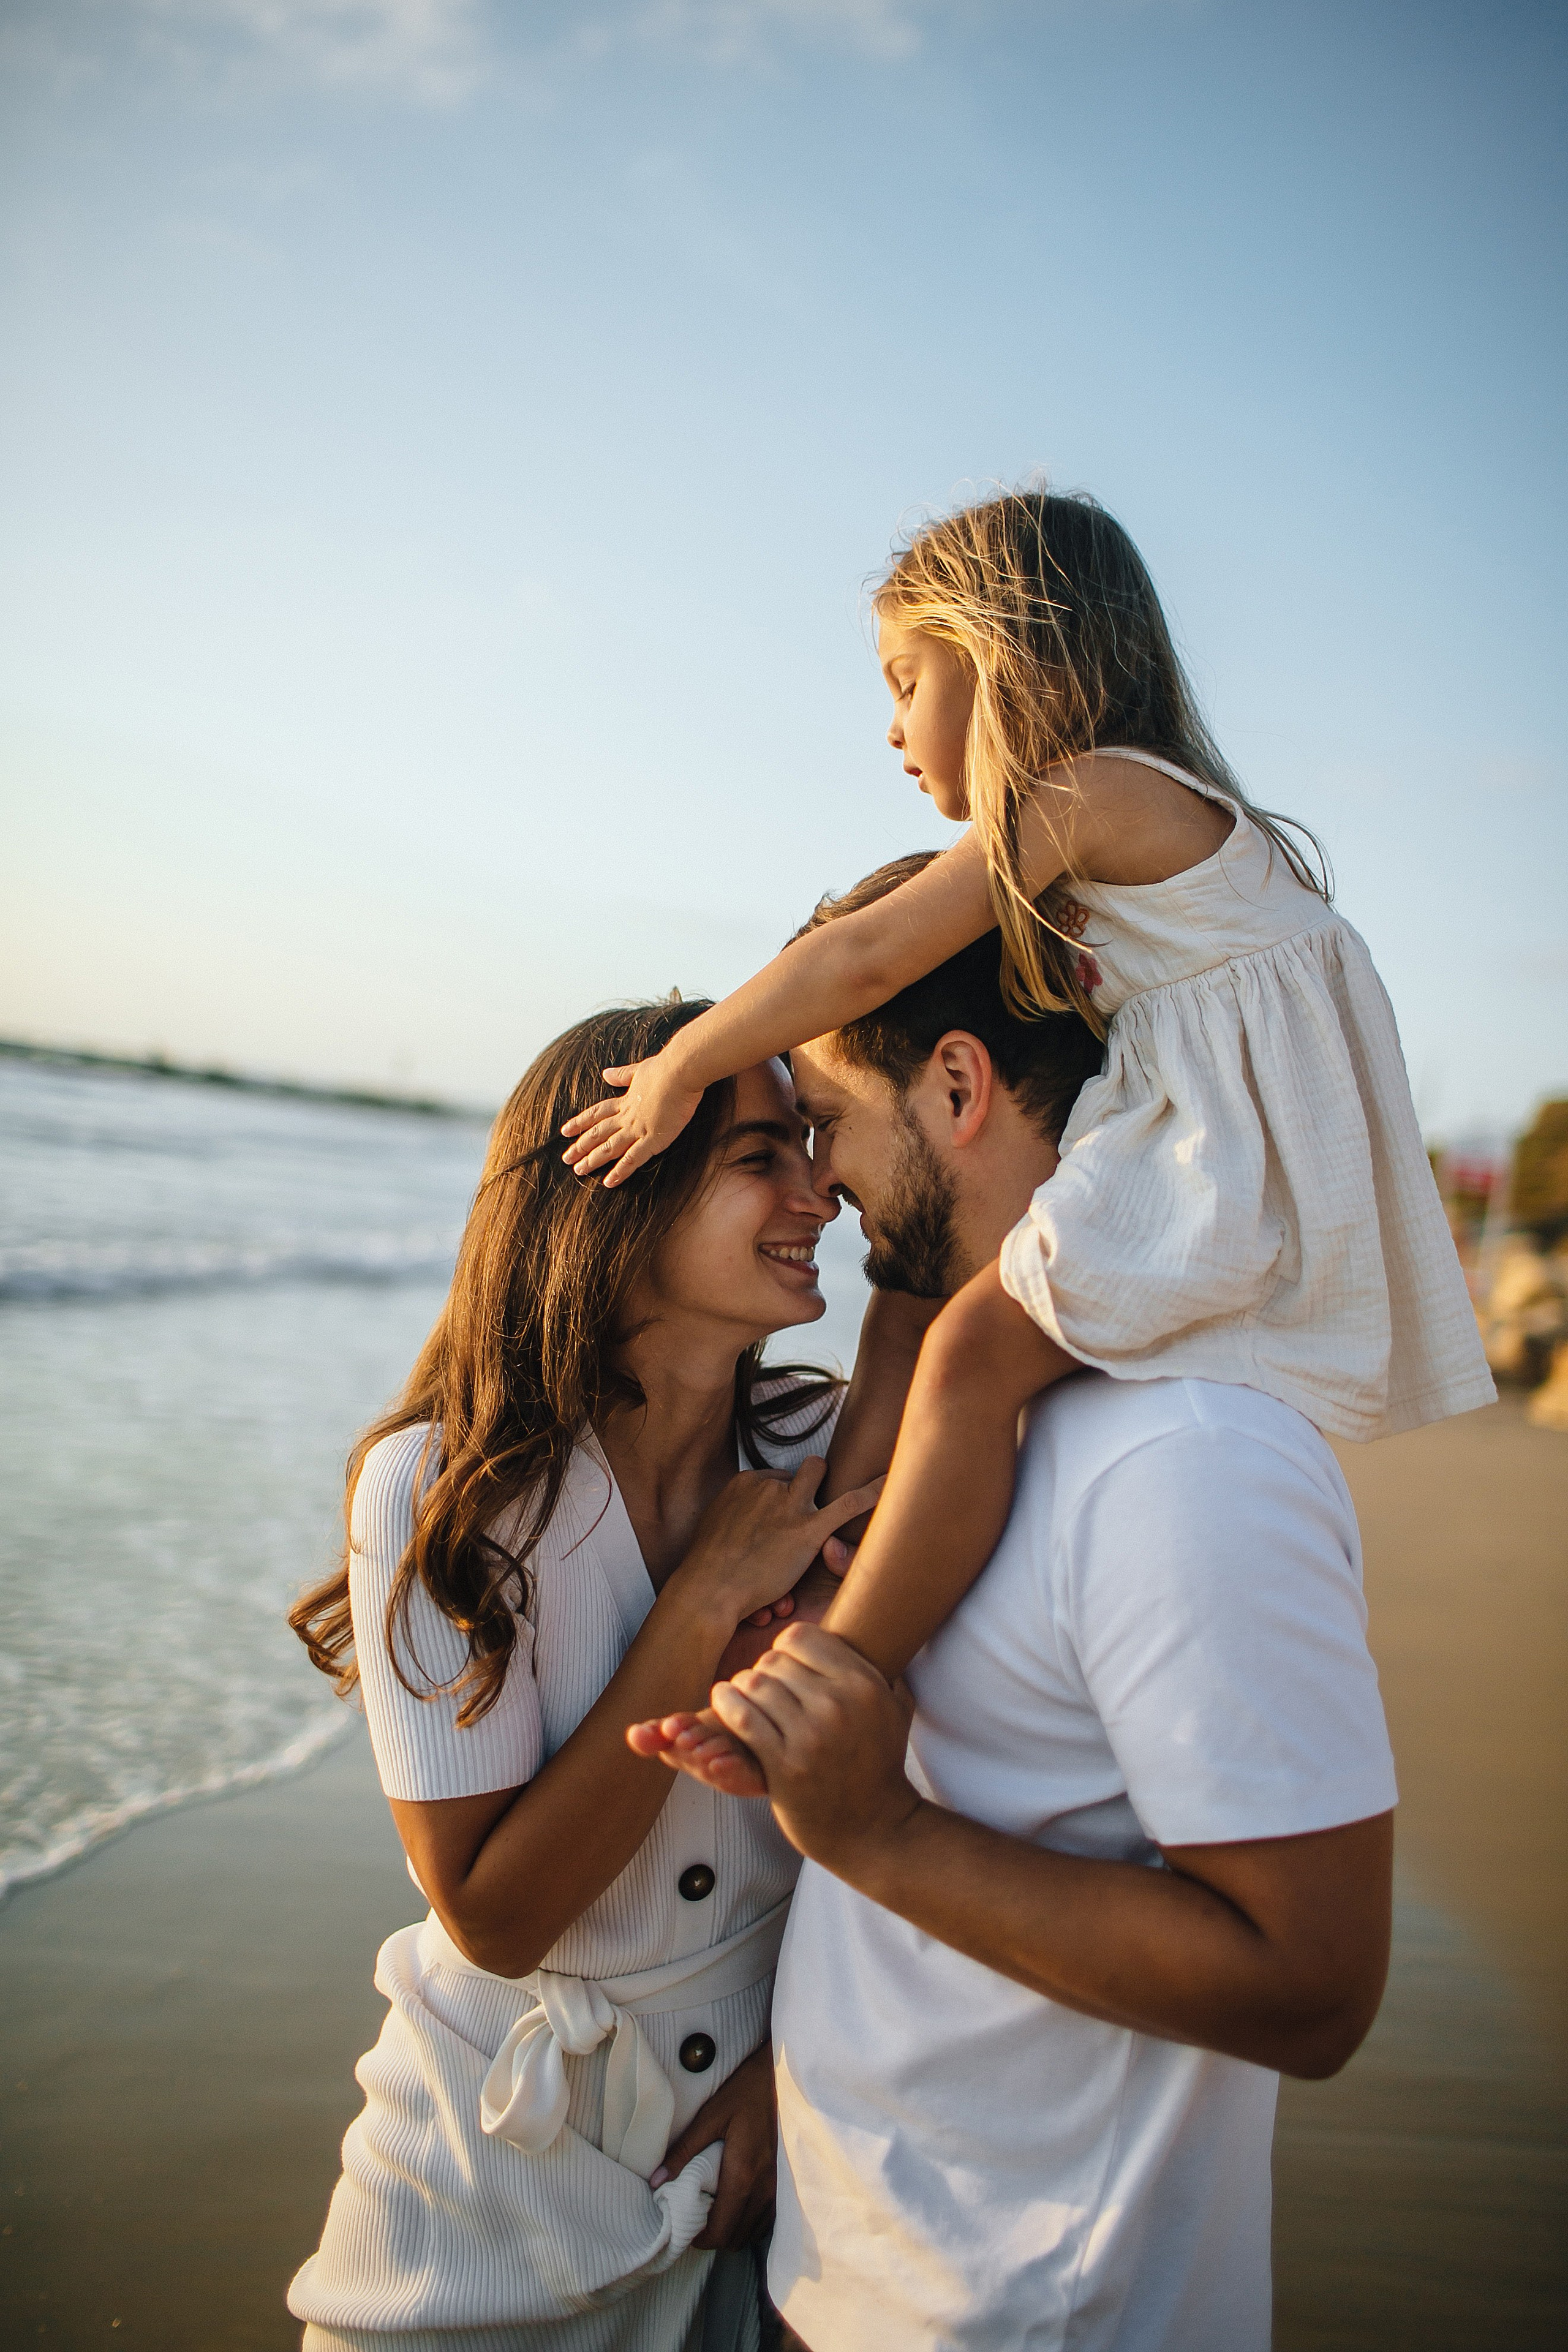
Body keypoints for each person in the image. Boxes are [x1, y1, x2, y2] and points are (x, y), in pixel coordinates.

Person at [631, 866, 1401, 2350]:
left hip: (1020, 2312)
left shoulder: (1183, 1461)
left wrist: (877, 1833)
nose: (819, 1181)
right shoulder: (954, 1419)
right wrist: (792, 2064)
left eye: (826, 1118)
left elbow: (1312, 1990)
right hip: (846, 2267)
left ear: (958, 1085)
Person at [564, 487, 1493, 1684]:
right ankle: (837, 1569)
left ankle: (839, 1666)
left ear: (1001, 654)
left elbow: (866, 957)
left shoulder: (1092, 795)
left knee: (970, 1356)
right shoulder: (1132, 823)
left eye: (907, 681)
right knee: (926, 1314)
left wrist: (679, 1067)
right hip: (1203, 1133)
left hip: (1206, 1150)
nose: (891, 729)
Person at [284, 998, 888, 2352]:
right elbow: (493, 1917)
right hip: (479, 2191)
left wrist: (797, 2068)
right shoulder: (443, 1490)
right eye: (760, 1158)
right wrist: (701, 1605)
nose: (819, 1195)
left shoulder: (827, 1447)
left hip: (751, 2176)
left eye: (811, 1149)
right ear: (615, 1189)